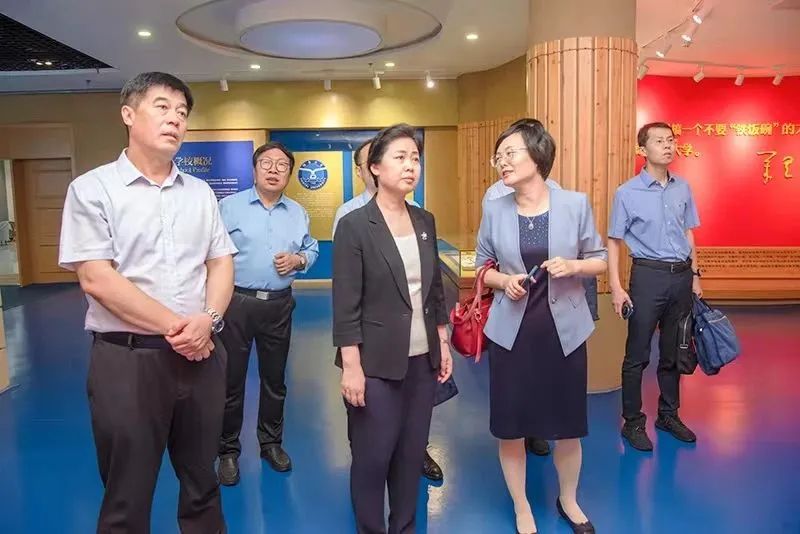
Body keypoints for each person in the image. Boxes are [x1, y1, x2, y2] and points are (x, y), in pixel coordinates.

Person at [58, 72, 236, 533]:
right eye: (162, 107)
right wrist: (182, 328)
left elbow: (220, 262)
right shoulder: (92, 189)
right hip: (128, 361)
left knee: (203, 482)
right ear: (128, 114)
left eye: (182, 112)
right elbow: (97, 278)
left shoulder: (200, 193)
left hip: (202, 356)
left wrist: (208, 320)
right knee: (127, 492)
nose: (175, 119)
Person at [476, 118, 606, 534]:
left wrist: (574, 266)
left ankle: (568, 499)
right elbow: (480, 267)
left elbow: (600, 259)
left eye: (510, 153)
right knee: (511, 427)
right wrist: (503, 281)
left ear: (537, 155)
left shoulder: (575, 204)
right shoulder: (494, 208)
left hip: (563, 334)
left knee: (568, 426)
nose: (502, 161)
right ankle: (521, 506)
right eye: (498, 156)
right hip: (510, 335)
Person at [333, 123, 454, 533]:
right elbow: (345, 303)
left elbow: (434, 289)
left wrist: (442, 342)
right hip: (375, 364)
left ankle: (404, 527)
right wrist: (352, 366)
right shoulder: (354, 225)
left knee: (410, 455)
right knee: (372, 458)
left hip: (422, 361)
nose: (410, 166)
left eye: (415, 158)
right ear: (375, 167)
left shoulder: (424, 220)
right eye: (400, 157)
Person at [216, 142, 319, 483]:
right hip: (236, 303)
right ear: (254, 169)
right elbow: (210, 253)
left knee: (274, 380)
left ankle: (271, 444)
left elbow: (311, 248)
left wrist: (299, 260)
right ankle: (227, 451)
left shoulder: (298, 212)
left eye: (282, 165)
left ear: (289, 173)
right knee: (231, 381)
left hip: (279, 305)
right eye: (266, 163)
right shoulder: (228, 207)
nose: (274, 170)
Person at [608, 121, 703, 452]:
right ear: (642, 149)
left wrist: (696, 276)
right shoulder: (626, 192)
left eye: (671, 140)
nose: (668, 145)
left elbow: (689, 233)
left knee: (675, 351)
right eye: (659, 141)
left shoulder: (683, 188)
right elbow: (614, 241)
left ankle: (668, 415)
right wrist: (616, 287)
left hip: (682, 277)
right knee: (637, 354)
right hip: (648, 277)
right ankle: (632, 422)